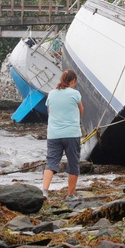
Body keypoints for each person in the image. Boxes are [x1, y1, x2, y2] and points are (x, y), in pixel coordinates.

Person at [42, 69, 84, 201]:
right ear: (73, 81)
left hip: (54, 134)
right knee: (73, 164)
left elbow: (50, 112)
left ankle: (44, 191)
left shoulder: (52, 94)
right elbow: (81, 111)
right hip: (71, 134)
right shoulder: (75, 93)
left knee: (51, 163)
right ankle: (70, 194)